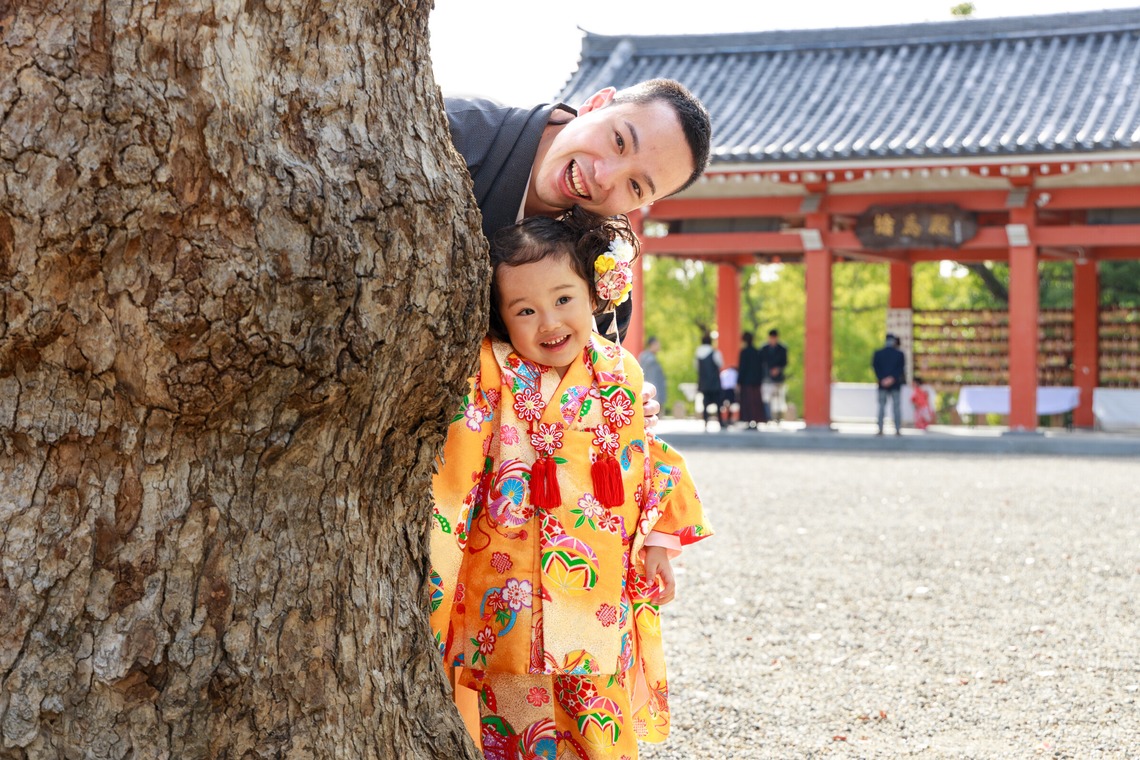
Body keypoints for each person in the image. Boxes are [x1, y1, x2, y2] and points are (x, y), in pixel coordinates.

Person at [429, 207, 712, 758]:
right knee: (510, 724)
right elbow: (456, 473)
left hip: (598, 596)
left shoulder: (620, 372)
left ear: (594, 292)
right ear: (502, 320)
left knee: (596, 727)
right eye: (525, 310)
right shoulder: (488, 370)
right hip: (508, 589)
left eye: (563, 299)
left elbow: (643, 458)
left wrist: (658, 544)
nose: (550, 322)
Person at [445, 78, 713, 342]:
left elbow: (595, 371)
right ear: (595, 104)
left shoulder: (600, 272)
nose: (603, 177)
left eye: (634, 186)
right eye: (619, 141)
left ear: (640, 205)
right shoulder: (452, 134)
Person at [872, 332, 907, 436]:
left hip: (882, 384)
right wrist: (892, 378)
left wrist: (882, 379)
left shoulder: (878, 353)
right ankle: (897, 429)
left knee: (881, 406)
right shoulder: (899, 354)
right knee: (896, 407)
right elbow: (900, 369)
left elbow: (875, 367)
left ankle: (880, 428)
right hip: (895, 384)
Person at [695, 332, 724, 431]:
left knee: (705, 403)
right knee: (718, 404)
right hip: (714, 383)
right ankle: (720, 422)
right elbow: (720, 364)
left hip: (704, 383)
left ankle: (706, 421)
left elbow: (696, 367)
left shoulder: (698, 353)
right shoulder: (715, 352)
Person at [758, 328, 789, 423]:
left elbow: (785, 362)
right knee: (766, 398)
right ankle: (767, 416)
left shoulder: (782, 349)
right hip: (766, 377)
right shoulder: (764, 349)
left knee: (778, 398)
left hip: (778, 378)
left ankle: (778, 417)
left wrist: (778, 369)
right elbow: (760, 362)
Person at [737, 331, 766, 428]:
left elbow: (742, 368)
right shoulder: (757, 352)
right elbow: (761, 368)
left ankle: (749, 420)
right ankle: (756, 420)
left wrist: (738, 381)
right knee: (755, 402)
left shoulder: (744, 352)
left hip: (746, 382)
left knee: (747, 402)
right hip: (756, 382)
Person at [638, 336, 668, 414]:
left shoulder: (643, 356)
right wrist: (656, 395)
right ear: (653, 345)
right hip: (651, 393)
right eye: (657, 344)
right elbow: (652, 379)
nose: (659, 346)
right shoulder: (651, 360)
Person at [719, 365, 738, 429]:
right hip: (730, 390)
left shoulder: (723, 372)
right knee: (730, 405)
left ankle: (724, 419)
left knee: (724, 405)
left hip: (723, 390)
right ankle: (728, 418)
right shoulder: (734, 373)